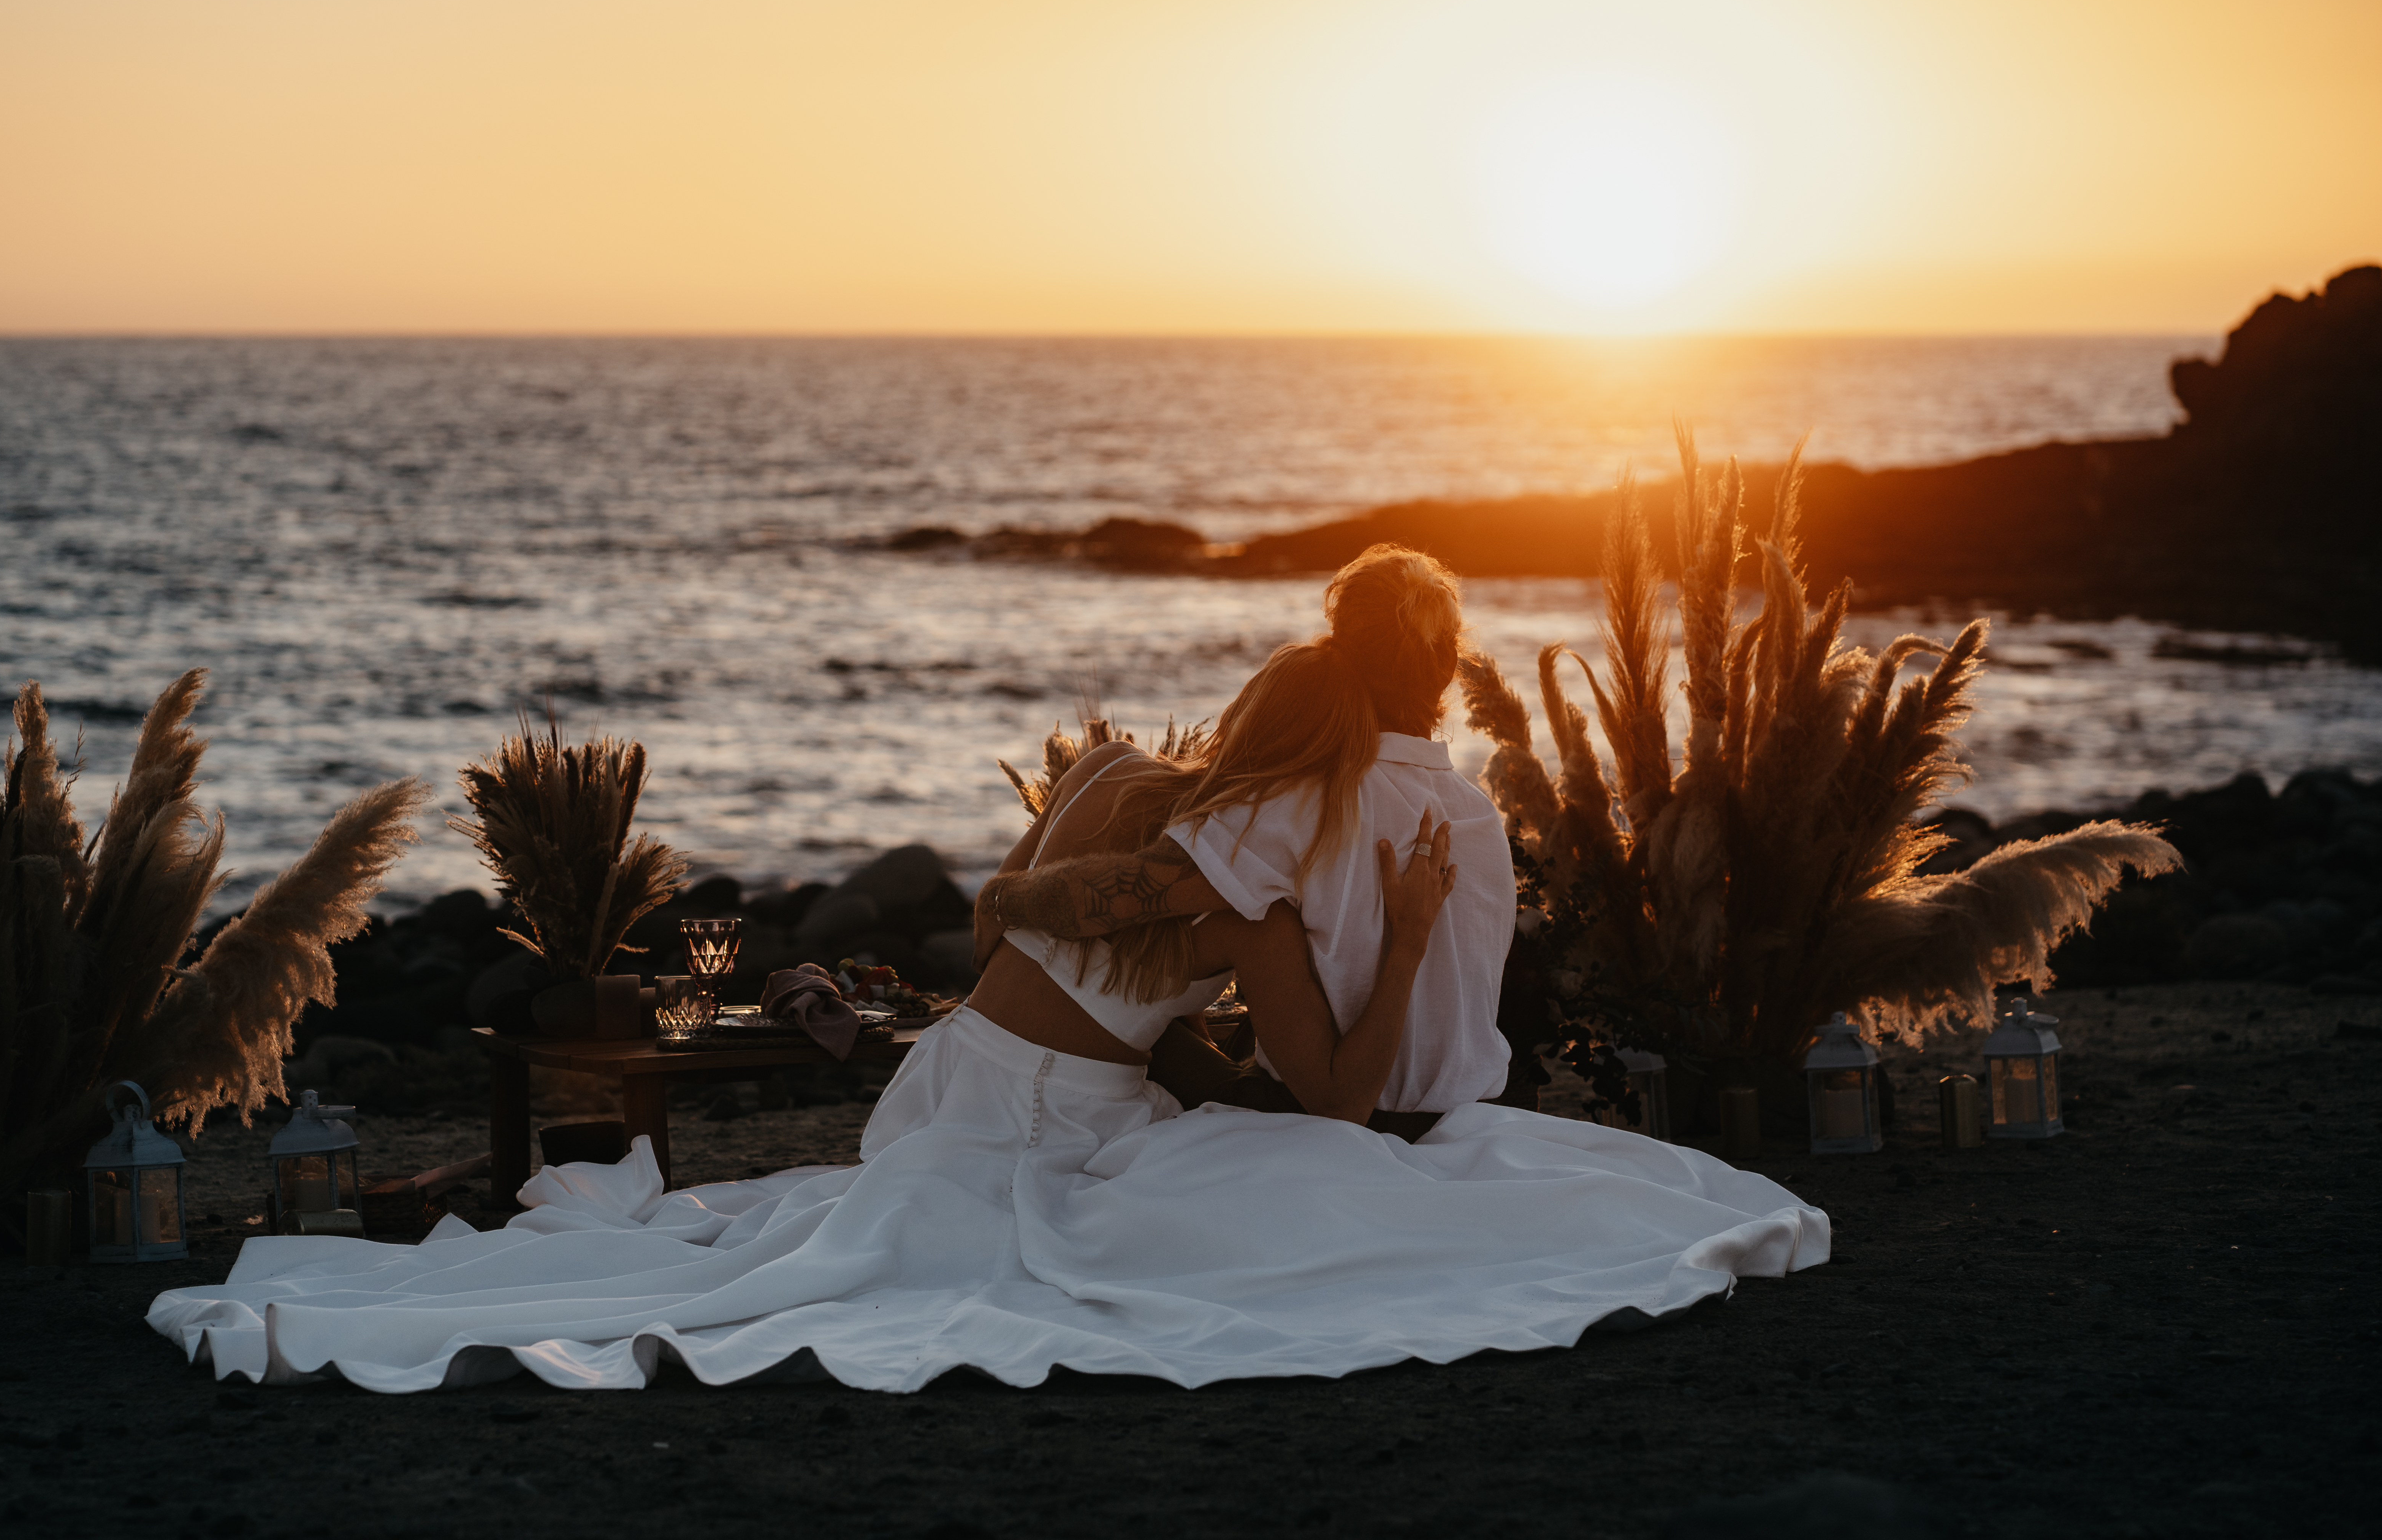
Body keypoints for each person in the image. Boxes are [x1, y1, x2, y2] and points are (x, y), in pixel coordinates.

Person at [146, 558, 1828, 1396]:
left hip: (933, 1090)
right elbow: (1288, 1062)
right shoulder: (1245, 873)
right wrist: (1366, 957)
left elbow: (1022, 914)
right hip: (1037, 1135)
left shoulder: (1109, 783)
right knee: (986, 1273)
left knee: (800, 1233)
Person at [976, 545, 1515, 1130]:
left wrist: (1002, 896)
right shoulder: (1481, 819)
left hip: (1323, 1114)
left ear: (1343, 654)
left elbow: (1120, 897)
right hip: (1468, 1119)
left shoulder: (1301, 805)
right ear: (1446, 668)